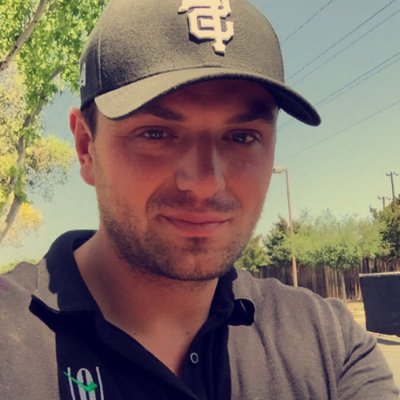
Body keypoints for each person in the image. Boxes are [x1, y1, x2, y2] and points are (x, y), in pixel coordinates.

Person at [1, 0, 398, 399]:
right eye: (156, 134)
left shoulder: (329, 347)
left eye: (241, 137)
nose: (206, 182)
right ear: (86, 147)